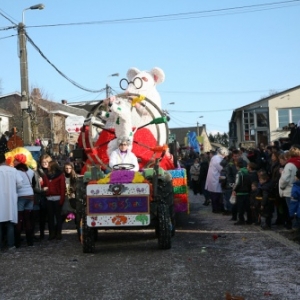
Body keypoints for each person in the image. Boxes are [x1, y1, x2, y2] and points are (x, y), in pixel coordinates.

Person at [0, 153, 23, 251]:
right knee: (10, 224)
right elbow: (20, 184)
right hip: (10, 199)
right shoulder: (13, 170)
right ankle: (10, 245)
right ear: (5, 160)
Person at [14, 154, 35, 247]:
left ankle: (17, 242)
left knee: (19, 218)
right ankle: (30, 241)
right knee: (28, 219)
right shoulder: (31, 171)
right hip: (30, 195)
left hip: (21, 196)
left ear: (19, 161)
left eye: (15, 160)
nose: (14, 161)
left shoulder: (15, 171)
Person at [42, 161, 66, 240]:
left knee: (58, 217)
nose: (47, 167)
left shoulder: (60, 175)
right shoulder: (46, 175)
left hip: (57, 197)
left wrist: (62, 199)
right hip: (49, 197)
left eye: (49, 166)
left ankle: (58, 233)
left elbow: (62, 188)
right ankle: (51, 233)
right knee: (50, 217)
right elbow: (44, 184)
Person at [205, 147, 229, 213]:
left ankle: (216, 208)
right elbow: (221, 169)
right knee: (216, 196)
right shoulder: (218, 159)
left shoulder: (215, 158)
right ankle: (216, 209)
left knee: (215, 195)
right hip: (215, 179)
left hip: (214, 179)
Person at [232, 158, 252, 225]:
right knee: (247, 207)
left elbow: (237, 183)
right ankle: (249, 220)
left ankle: (241, 220)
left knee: (240, 207)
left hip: (240, 192)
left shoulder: (239, 173)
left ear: (237, 166)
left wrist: (234, 189)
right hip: (247, 192)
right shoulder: (247, 172)